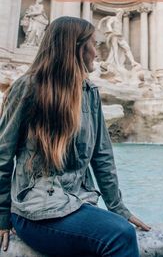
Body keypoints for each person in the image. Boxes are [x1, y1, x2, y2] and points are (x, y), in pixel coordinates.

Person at [0, 16, 151, 256]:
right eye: (93, 43)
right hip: (34, 210)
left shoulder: (90, 92)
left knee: (118, 228)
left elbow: (102, 157)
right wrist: (1, 217)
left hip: (77, 202)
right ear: (77, 48)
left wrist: (118, 208)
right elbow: (3, 155)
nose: (98, 51)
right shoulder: (27, 87)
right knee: (120, 235)